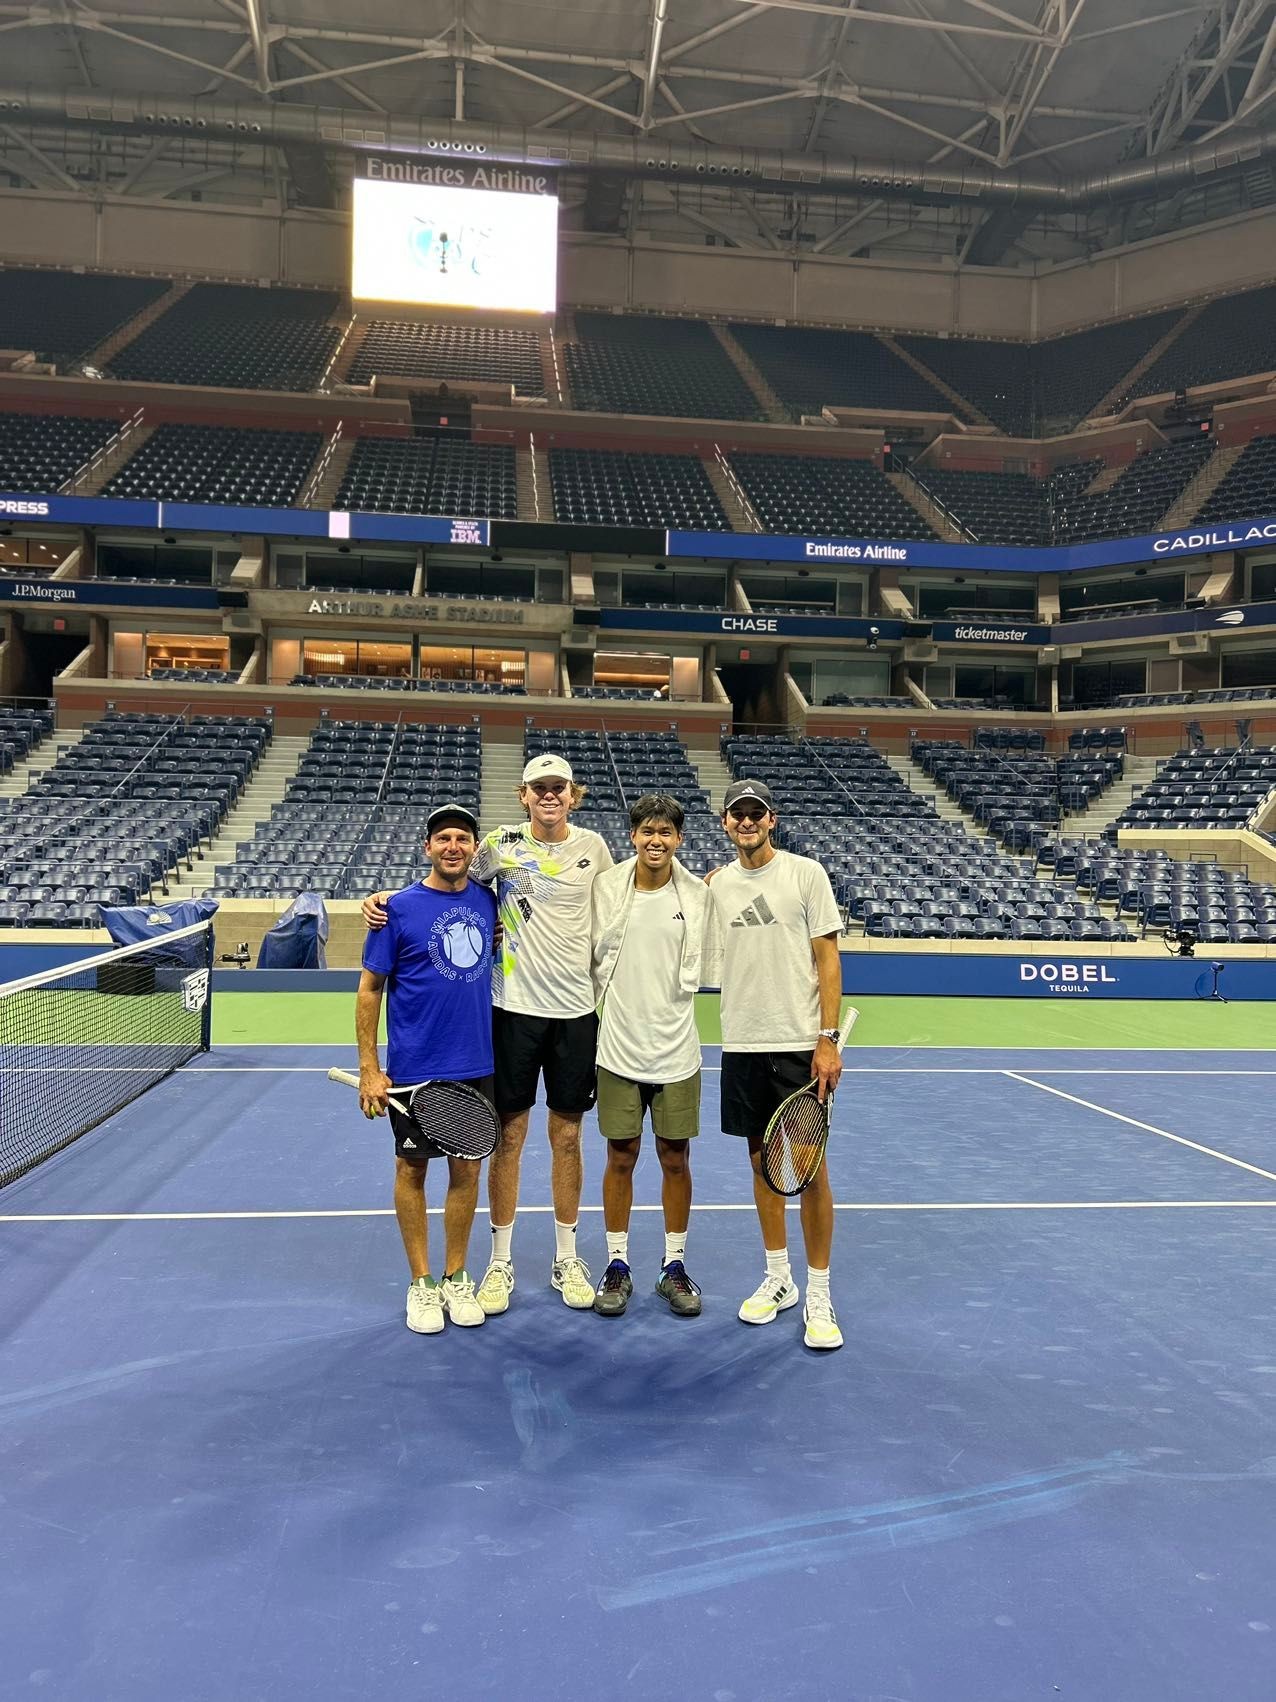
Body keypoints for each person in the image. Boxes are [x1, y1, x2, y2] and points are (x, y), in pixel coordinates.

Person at [363, 752, 613, 1314]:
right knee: (507, 1137)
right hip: (512, 1008)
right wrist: (384, 901)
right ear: (523, 795)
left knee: (568, 1138)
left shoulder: (595, 849)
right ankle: (499, 1263)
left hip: (576, 1011)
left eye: (559, 787)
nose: (549, 795)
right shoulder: (495, 847)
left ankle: (565, 1257)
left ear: (574, 794)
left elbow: (630, 895)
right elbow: (443, 886)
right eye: (538, 788)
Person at [706, 779, 846, 1351]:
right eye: (737, 814)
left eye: (755, 814)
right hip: (741, 1042)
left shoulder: (805, 874)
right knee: (763, 1165)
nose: (747, 822)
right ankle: (778, 1277)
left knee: (809, 1169)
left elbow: (828, 958)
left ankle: (819, 1290)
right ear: (725, 823)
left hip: (798, 1043)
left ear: (772, 820)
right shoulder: (714, 887)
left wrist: (827, 1037)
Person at [356, 803, 498, 1336]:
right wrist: (370, 1068)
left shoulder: (489, 900)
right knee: (411, 1170)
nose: (454, 846)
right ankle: (421, 1284)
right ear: (428, 848)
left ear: (473, 848)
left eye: (463, 838)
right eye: (444, 838)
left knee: (467, 1172)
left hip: (476, 1063)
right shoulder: (396, 909)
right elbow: (370, 989)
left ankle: (456, 1275)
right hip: (414, 1069)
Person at [589, 793, 716, 1319]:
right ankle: (617, 1263)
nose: (656, 840)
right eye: (647, 831)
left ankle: (673, 1266)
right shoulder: (606, 888)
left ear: (679, 839)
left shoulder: (699, 897)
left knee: (674, 1159)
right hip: (617, 1049)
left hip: (677, 1053)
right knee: (620, 1157)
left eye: (666, 832)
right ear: (633, 836)